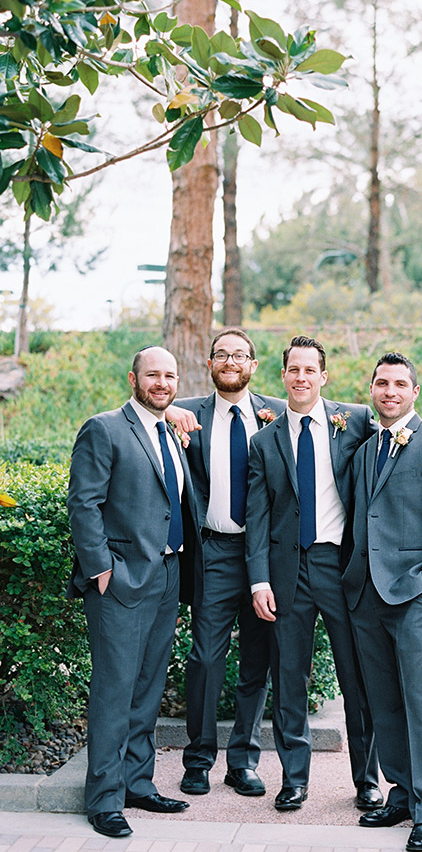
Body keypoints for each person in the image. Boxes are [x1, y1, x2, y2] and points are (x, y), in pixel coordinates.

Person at [67, 346, 201, 838]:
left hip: (167, 577)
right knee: (114, 689)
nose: (161, 383)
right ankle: (103, 799)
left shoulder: (170, 431)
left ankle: (137, 783)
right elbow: (83, 504)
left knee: (147, 688)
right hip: (121, 580)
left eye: (169, 375)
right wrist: (102, 568)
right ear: (133, 378)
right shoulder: (104, 429)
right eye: (152, 375)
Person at [246, 335, 381, 812]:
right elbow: (257, 515)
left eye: (310, 370)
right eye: (293, 370)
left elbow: (402, 435)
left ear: (324, 376)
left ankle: (367, 780)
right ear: (282, 376)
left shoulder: (357, 421)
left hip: (343, 565)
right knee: (288, 677)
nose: (301, 378)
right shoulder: (264, 441)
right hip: (287, 571)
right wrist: (259, 579)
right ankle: (294, 778)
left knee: (357, 675)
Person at [342, 352, 422, 852]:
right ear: (371, 390)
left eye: (399, 384)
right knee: (382, 699)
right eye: (381, 383)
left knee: (418, 700)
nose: (389, 391)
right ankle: (402, 791)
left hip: (414, 592)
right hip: (366, 592)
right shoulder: (366, 449)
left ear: (415, 392)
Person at [166, 328, 285, 798]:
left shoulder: (278, 411)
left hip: (266, 560)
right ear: (209, 364)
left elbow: (342, 420)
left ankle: (244, 761)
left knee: (258, 660)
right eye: (221, 354)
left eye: (240, 355)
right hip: (213, 552)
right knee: (206, 659)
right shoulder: (185, 412)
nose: (230, 361)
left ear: (253, 365)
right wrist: (168, 409)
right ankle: (198, 758)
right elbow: (139, 403)